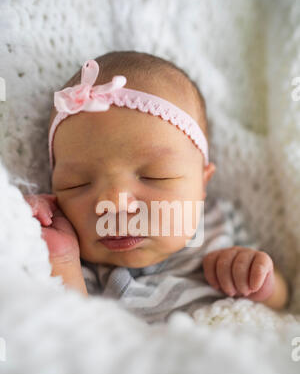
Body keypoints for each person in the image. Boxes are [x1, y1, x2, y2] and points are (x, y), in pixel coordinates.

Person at [24, 51, 289, 323]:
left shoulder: (218, 225)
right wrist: (61, 256)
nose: (114, 203)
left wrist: (258, 281)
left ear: (202, 184)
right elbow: (71, 330)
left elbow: (280, 301)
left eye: (155, 176)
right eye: (77, 184)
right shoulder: (82, 264)